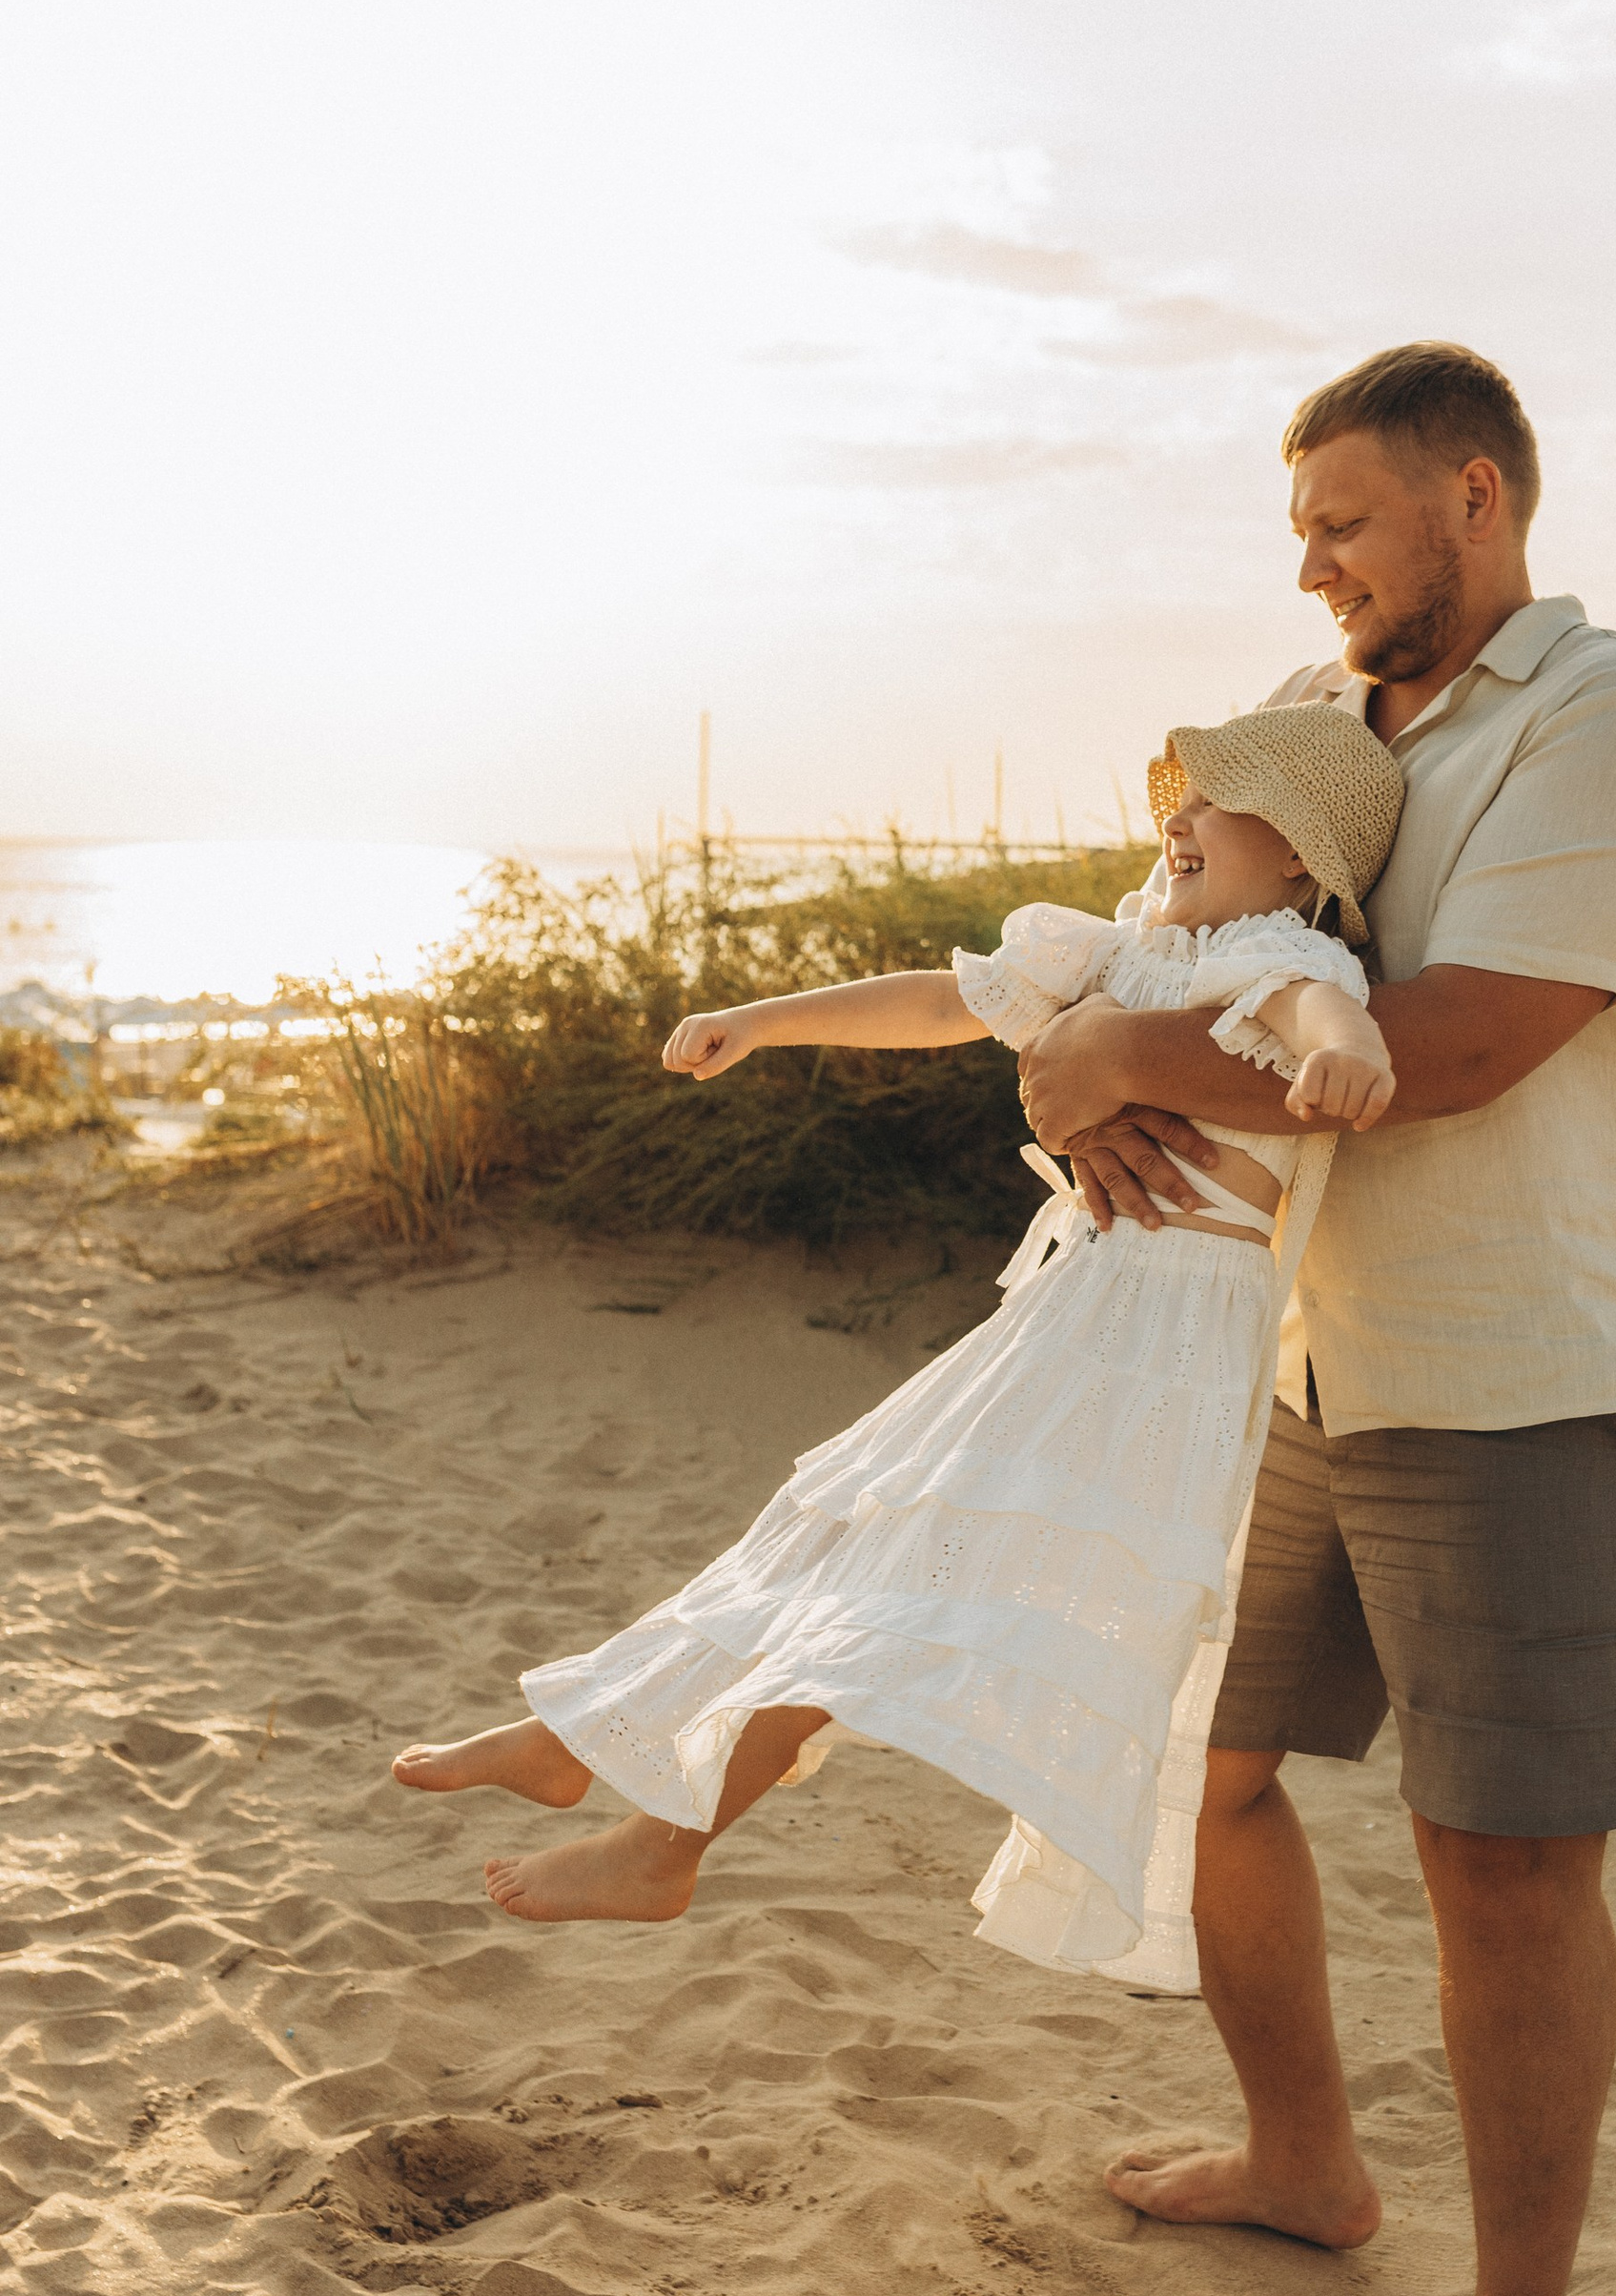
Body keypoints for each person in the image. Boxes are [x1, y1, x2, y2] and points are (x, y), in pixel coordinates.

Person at [1011, 340, 1616, 2296]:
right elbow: (1190, 955)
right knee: (1209, 1772)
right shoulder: (1321, 726)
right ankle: (1304, 2164)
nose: (1306, 562)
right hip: (1288, 1354)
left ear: (1477, 502)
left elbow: (1457, 1039)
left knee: (1498, 1860)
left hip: (1524, 1363)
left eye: (1341, 521)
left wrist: (1118, 1048)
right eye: (1298, 527)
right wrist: (1080, 1059)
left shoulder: (1609, 723)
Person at [390, 705, 1408, 1983]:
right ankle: (624, 1788)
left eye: (1219, 805)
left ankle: (644, 1814)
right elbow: (946, 999)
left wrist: (1350, 1061)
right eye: (1182, 803)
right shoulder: (1128, 950)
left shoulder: (1267, 960)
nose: (1181, 822)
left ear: (1304, 862)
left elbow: (1333, 1016)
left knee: (891, 1574)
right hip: (1072, 1316)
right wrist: (762, 1017)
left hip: (1155, 1352)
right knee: (850, 1552)